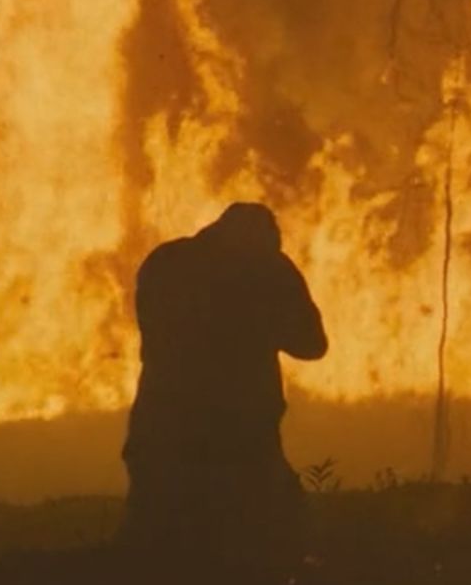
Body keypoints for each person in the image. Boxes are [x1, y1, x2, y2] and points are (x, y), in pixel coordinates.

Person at [121, 202, 327, 548]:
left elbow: (153, 332)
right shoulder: (267, 273)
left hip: (161, 426)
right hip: (240, 436)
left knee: (156, 535)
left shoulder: (165, 263)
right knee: (267, 534)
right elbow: (311, 344)